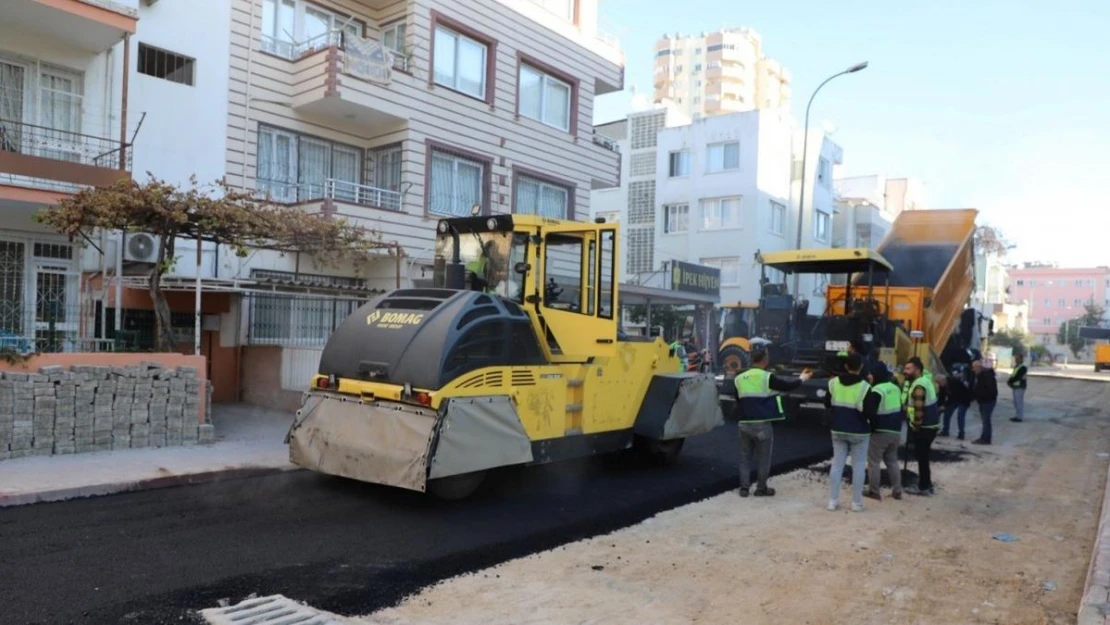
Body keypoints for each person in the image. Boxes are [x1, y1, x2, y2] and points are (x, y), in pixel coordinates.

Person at [733, 349, 812, 498]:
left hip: (743, 423)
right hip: (762, 424)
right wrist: (802, 378)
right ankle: (761, 488)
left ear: (751, 360)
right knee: (764, 457)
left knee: (744, 457)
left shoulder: (739, 378)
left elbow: (738, 399)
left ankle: (744, 489)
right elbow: (787, 386)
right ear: (765, 360)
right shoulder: (767, 377)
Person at [823, 352, 872, 512]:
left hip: (837, 428)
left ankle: (832, 501)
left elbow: (827, 404)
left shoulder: (833, 383)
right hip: (859, 431)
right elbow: (869, 411)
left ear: (846, 366)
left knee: (837, 464)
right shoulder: (865, 387)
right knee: (858, 466)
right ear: (861, 367)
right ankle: (856, 503)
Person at [864, 362, 904, 501]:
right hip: (896, 431)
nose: (869, 376)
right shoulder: (896, 388)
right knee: (892, 461)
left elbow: (870, 412)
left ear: (875, 374)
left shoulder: (877, 391)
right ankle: (897, 491)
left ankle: (874, 491)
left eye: (870, 373)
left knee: (873, 462)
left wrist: (871, 428)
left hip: (880, 431)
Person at [904, 357, 940, 496]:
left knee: (922, 457)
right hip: (931, 425)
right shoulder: (925, 381)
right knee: (923, 456)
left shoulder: (918, 386)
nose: (905, 371)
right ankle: (926, 484)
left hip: (924, 427)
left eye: (908, 369)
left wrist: (916, 425)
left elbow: (919, 408)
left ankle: (924, 486)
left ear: (917, 370)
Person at [940, 364, 972, 439]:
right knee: (947, 414)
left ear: (943, 380)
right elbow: (942, 396)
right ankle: (945, 431)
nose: (940, 385)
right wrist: (941, 405)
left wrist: (945, 405)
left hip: (964, 399)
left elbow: (953, 396)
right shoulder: (942, 385)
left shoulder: (953, 382)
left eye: (940, 383)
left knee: (960, 416)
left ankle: (961, 434)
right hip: (955, 399)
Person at [971, 358, 999, 445]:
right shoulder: (982, 375)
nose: (973, 370)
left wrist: (983, 397)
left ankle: (986, 439)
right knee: (985, 420)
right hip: (985, 401)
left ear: (979, 367)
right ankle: (984, 437)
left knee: (986, 420)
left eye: (974, 367)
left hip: (987, 401)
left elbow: (990, 390)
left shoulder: (986, 376)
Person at [1007, 353, 1028, 423]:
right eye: (1015, 358)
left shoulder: (1023, 367)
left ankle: (1019, 417)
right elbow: (1013, 375)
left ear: (1021, 359)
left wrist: (1010, 381)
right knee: (1016, 402)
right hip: (1016, 386)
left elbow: (1017, 377)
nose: (1016, 360)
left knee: (1019, 402)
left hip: (1019, 387)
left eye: (1017, 358)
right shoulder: (1017, 366)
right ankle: (1017, 416)